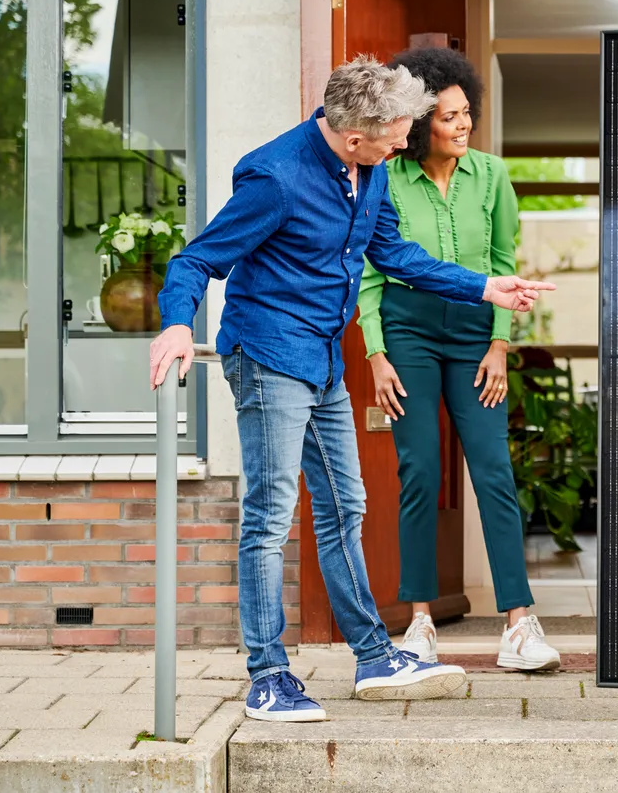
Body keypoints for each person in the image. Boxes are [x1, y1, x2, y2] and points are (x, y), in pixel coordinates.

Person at [149, 56, 554, 722]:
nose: (406, 142)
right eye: (397, 134)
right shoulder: (275, 176)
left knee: (345, 507)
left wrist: (485, 287)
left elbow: (395, 256)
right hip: (269, 355)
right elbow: (198, 258)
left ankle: (374, 656)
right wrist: (173, 324)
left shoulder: (369, 173)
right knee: (272, 512)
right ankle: (269, 676)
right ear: (356, 134)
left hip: (324, 362)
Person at [357, 47, 560, 672]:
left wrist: (500, 345)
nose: (463, 125)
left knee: (494, 471)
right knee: (418, 474)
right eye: (449, 117)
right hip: (408, 332)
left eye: (466, 112)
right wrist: (376, 354)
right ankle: (419, 623)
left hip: (476, 333)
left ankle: (519, 625)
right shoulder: (385, 178)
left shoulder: (492, 176)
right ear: (421, 125)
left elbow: (503, 263)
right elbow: (370, 268)